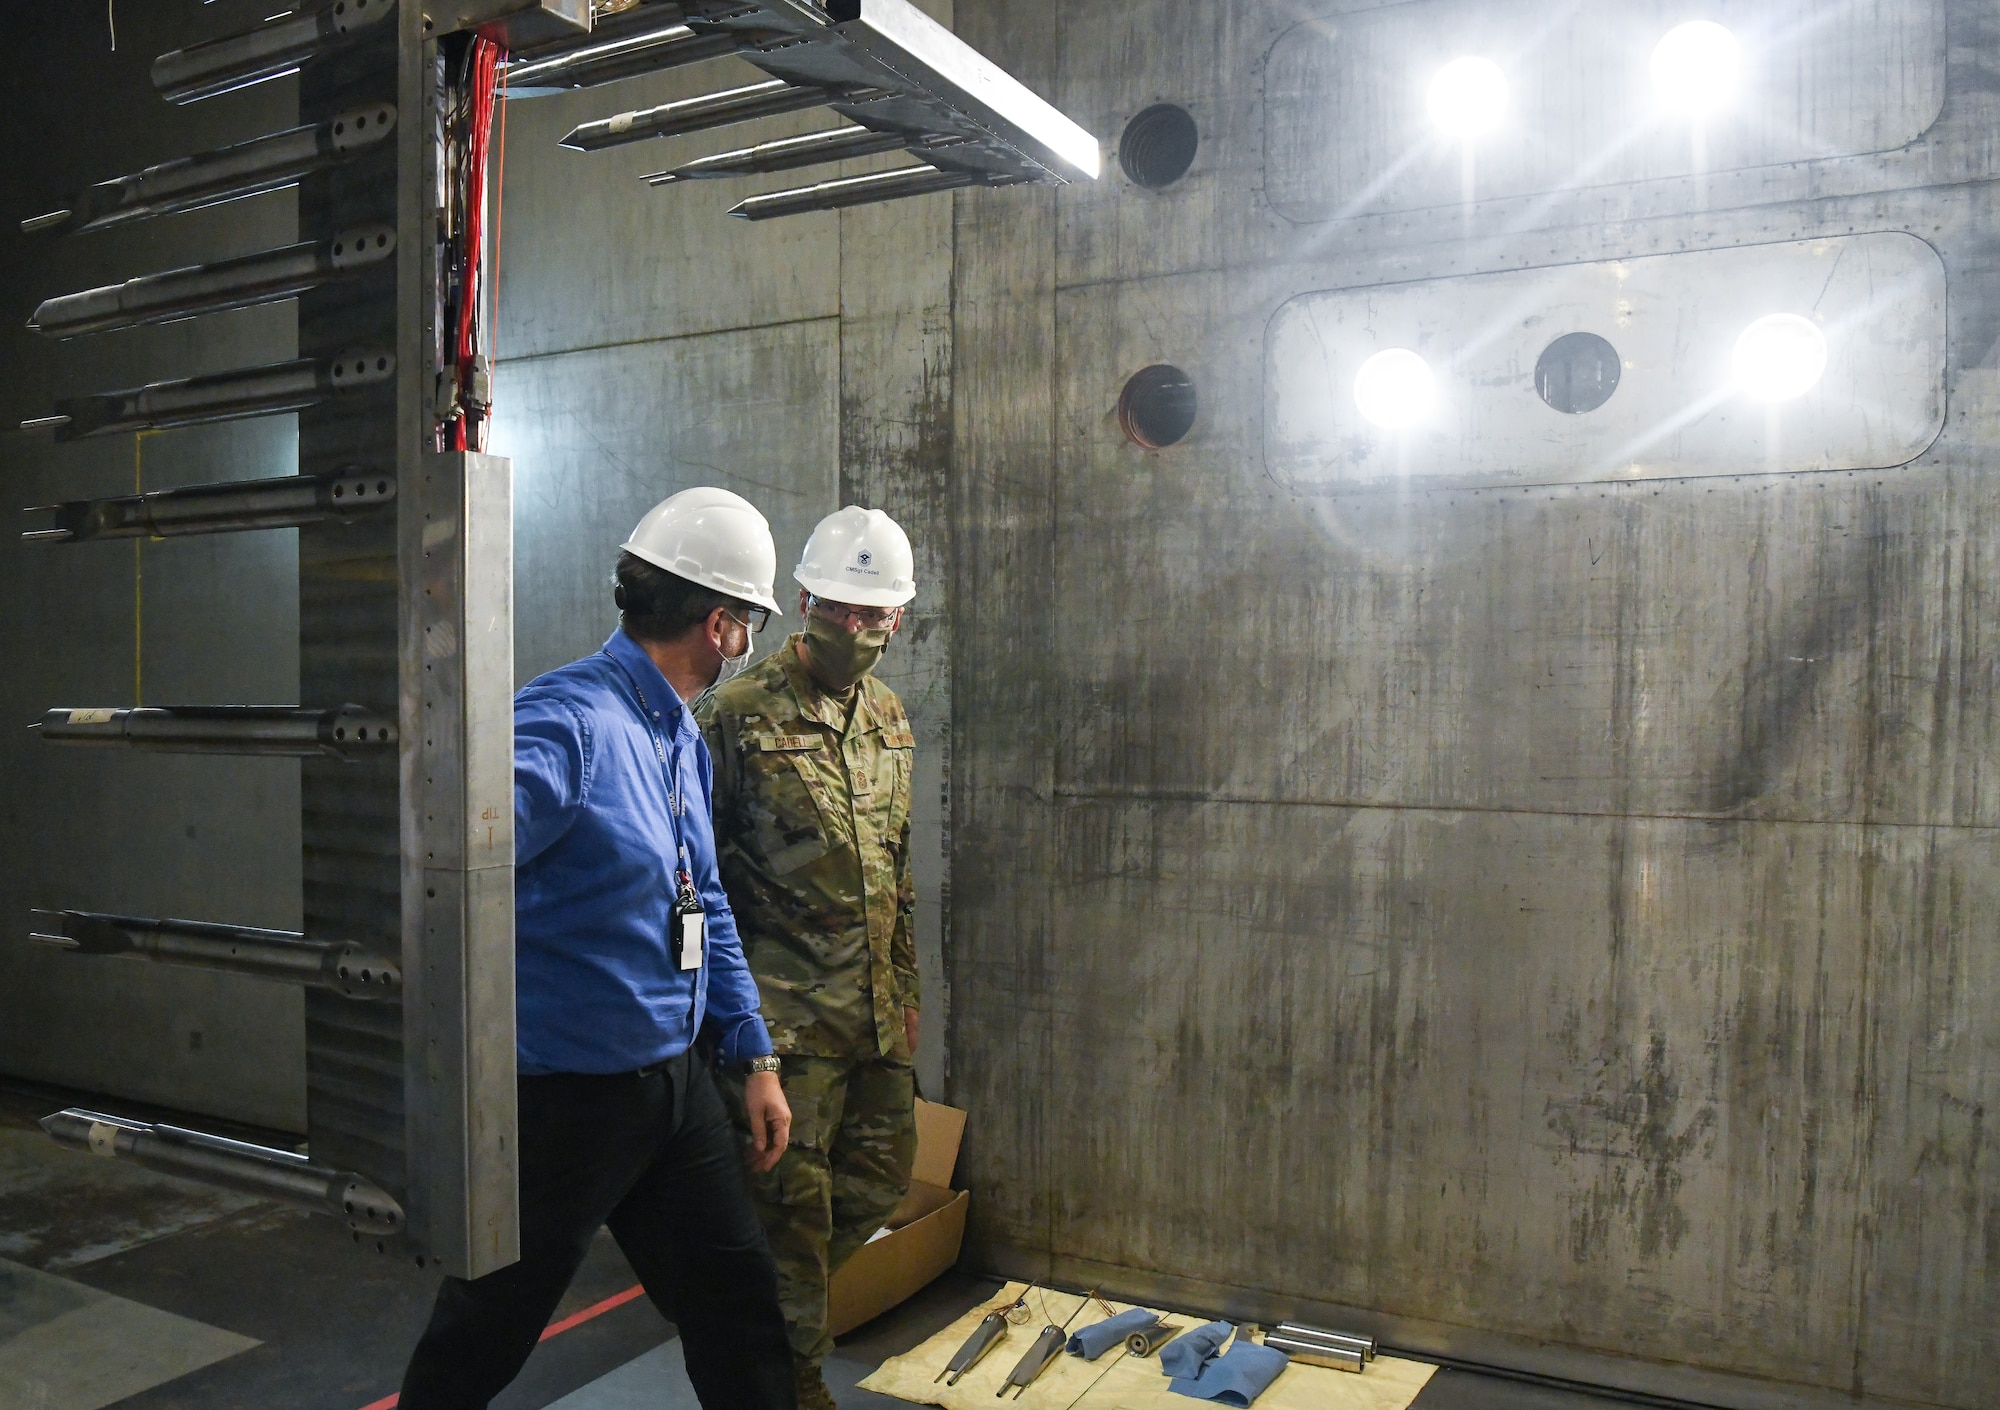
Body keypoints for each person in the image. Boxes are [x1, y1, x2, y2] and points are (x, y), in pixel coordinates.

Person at [398, 487, 799, 1410]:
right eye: (749, 624)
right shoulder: (568, 725)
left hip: (674, 1089)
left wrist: (753, 1052)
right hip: (567, 1107)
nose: (747, 644)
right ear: (721, 627)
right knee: (484, 1331)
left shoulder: (678, 740)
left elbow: (709, 904)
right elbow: (445, 857)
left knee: (739, 1306)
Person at [700, 506, 922, 1410]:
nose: (858, 631)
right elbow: (695, 877)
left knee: (874, 1185)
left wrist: (905, 988)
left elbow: (895, 870)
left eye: (875, 617)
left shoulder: (889, 715)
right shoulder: (735, 714)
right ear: (802, 603)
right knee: (790, 1224)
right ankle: (791, 1387)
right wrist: (722, 1035)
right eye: (840, 611)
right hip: (781, 1029)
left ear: (898, 618)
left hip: (871, 1016)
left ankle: (746, 1315)